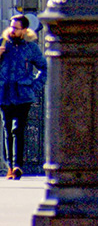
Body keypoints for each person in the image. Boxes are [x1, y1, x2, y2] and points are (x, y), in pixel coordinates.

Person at [0, 15, 47, 180]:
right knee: (7, 129)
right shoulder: (2, 44)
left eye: (16, 28)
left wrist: (34, 86)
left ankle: (18, 165)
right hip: (4, 93)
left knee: (18, 129)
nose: (12, 30)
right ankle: (10, 166)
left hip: (23, 94)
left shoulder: (31, 48)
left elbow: (44, 68)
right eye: (11, 27)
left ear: (24, 30)